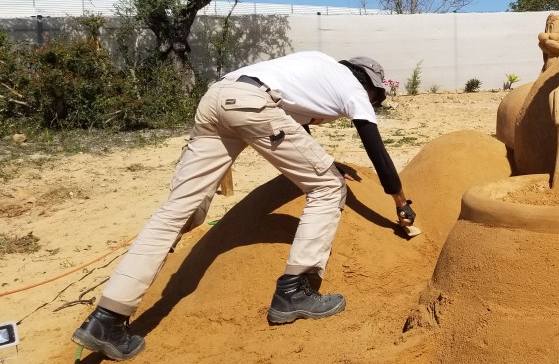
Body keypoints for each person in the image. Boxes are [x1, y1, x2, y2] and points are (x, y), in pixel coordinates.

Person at [70, 51, 416, 361]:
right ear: (367, 85)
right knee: (328, 186)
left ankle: (107, 318)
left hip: (216, 98)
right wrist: (401, 202)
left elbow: (295, 130)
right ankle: (294, 291)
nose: (372, 103)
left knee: (177, 213)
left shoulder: (316, 67)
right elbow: (375, 147)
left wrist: (321, 160)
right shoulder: (353, 89)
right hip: (252, 104)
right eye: (376, 97)